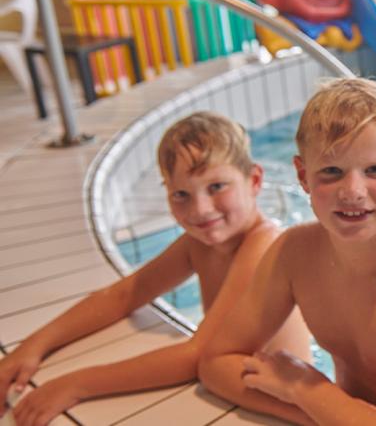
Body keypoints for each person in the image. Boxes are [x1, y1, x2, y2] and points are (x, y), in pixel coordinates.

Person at [198, 78, 376, 426]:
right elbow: (216, 362)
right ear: (303, 176)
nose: (352, 191)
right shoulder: (294, 252)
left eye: (375, 170)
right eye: (331, 171)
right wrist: (312, 409)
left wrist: (307, 389)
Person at [0, 112, 310, 426]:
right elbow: (123, 295)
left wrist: (76, 384)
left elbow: (197, 356)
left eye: (216, 186)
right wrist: (32, 348)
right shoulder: (198, 244)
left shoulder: (265, 247)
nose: (200, 209)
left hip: (287, 407)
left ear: (254, 180)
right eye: (181, 195)